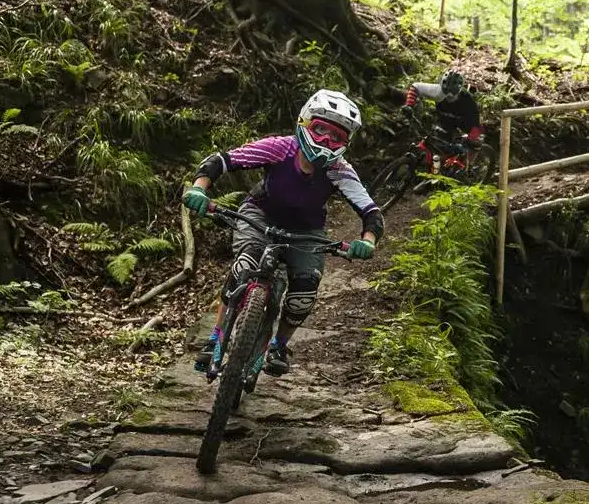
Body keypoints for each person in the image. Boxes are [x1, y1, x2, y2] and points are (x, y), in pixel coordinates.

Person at [182, 89, 383, 376]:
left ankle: (279, 345)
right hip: (260, 212)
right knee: (244, 267)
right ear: (304, 123)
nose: (326, 140)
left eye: (336, 137)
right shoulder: (280, 149)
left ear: (345, 143)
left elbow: (372, 213)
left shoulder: (340, 170)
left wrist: (367, 241)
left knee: (304, 291)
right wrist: (199, 188)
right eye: (320, 130)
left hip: (307, 230)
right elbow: (222, 161)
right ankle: (215, 338)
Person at [401, 69, 484, 165]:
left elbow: (475, 125)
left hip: (464, 123)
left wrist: (469, 140)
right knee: (440, 146)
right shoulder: (437, 91)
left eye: (452, 96)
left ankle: (467, 167)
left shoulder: (468, 102)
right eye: (446, 94)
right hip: (445, 121)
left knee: (474, 143)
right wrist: (409, 105)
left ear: (459, 92)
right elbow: (415, 87)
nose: (449, 97)